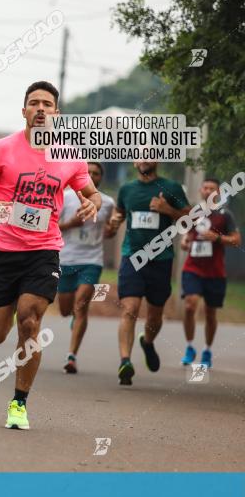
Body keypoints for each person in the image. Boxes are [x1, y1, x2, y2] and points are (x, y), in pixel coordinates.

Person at [0, 80, 100, 430]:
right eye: (34, 103)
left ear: (57, 114)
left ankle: (19, 404)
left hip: (43, 250)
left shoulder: (69, 155)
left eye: (47, 104)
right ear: (23, 111)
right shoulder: (1, 149)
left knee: (29, 320)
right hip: (2, 249)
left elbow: (91, 192)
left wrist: (91, 204)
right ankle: (3, 308)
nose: (40, 109)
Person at [106, 162, 190, 385]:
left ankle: (148, 342)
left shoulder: (171, 187)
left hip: (161, 260)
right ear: (135, 162)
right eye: (140, 155)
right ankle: (125, 361)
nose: (144, 159)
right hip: (132, 257)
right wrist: (114, 222)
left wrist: (168, 210)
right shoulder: (126, 189)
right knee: (129, 309)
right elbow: (120, 214)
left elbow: (191, 218)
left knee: (155, 315)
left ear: (157, 160)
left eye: (149, 154)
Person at [57, 162, 116, 374]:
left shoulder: (107, 202)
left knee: (81, 305)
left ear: (101, 178)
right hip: (65, 259)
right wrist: (70, 224)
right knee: (65, 310)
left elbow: (109, 229)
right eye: (88, 172)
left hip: (92, 260)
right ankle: (73, 315)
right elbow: (51, 226)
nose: (92, 175)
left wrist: (111, 230)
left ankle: (71, 356)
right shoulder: (64, 197)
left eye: (96, 173)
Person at [180, 178, 240, 369]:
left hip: (215, 272)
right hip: (193, 268)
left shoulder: (225, 215)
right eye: (205, 188)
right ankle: (190, 347)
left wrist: (217, 238)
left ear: (218, 193)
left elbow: (236, 240)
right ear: (200, 190)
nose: (208, 191)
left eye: (212, 189)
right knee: (190, 305)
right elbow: (186, 234)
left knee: (210, 313)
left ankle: (206, 350)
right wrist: (184, 241)